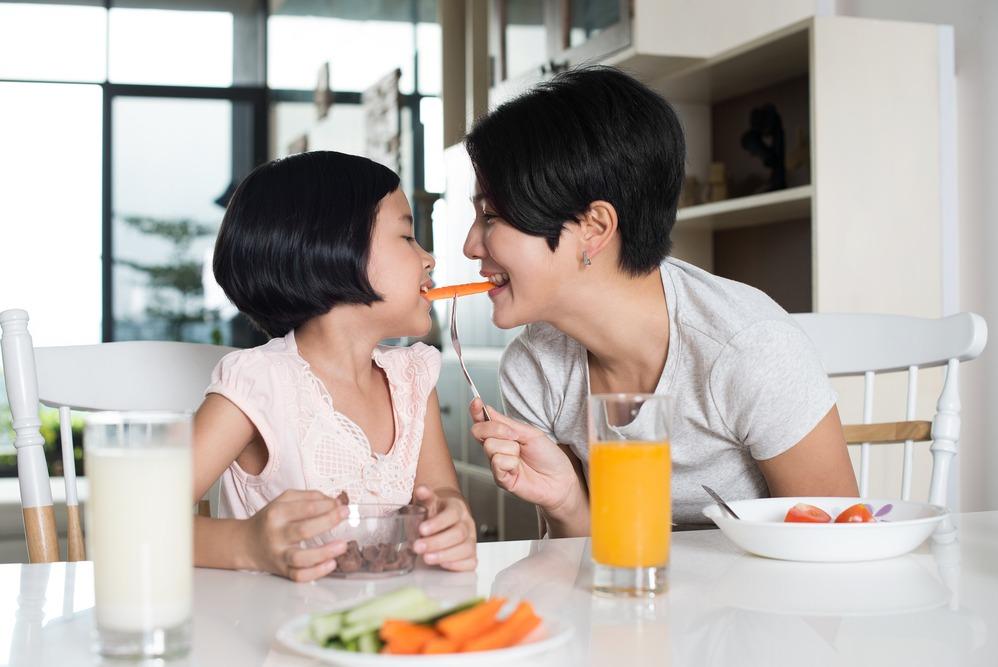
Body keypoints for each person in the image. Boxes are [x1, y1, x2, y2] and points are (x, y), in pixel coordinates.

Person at [462, 67, 858, 536]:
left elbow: (835, 541)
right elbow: (586, 565)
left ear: (594, 227)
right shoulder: (534, 368)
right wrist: (567, 501)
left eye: (490, 215)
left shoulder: (747, 349)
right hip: (634, 600)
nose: (471, 245)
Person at [191, 151, 476, 581]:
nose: (429, 258)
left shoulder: (412, 381)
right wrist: (248, 543)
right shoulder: (257, 384)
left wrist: (450, 516)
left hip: (387, 633)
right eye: (406, 237)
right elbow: (141, 523)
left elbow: (441, 492)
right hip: (269, 637)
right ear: (332, 250)